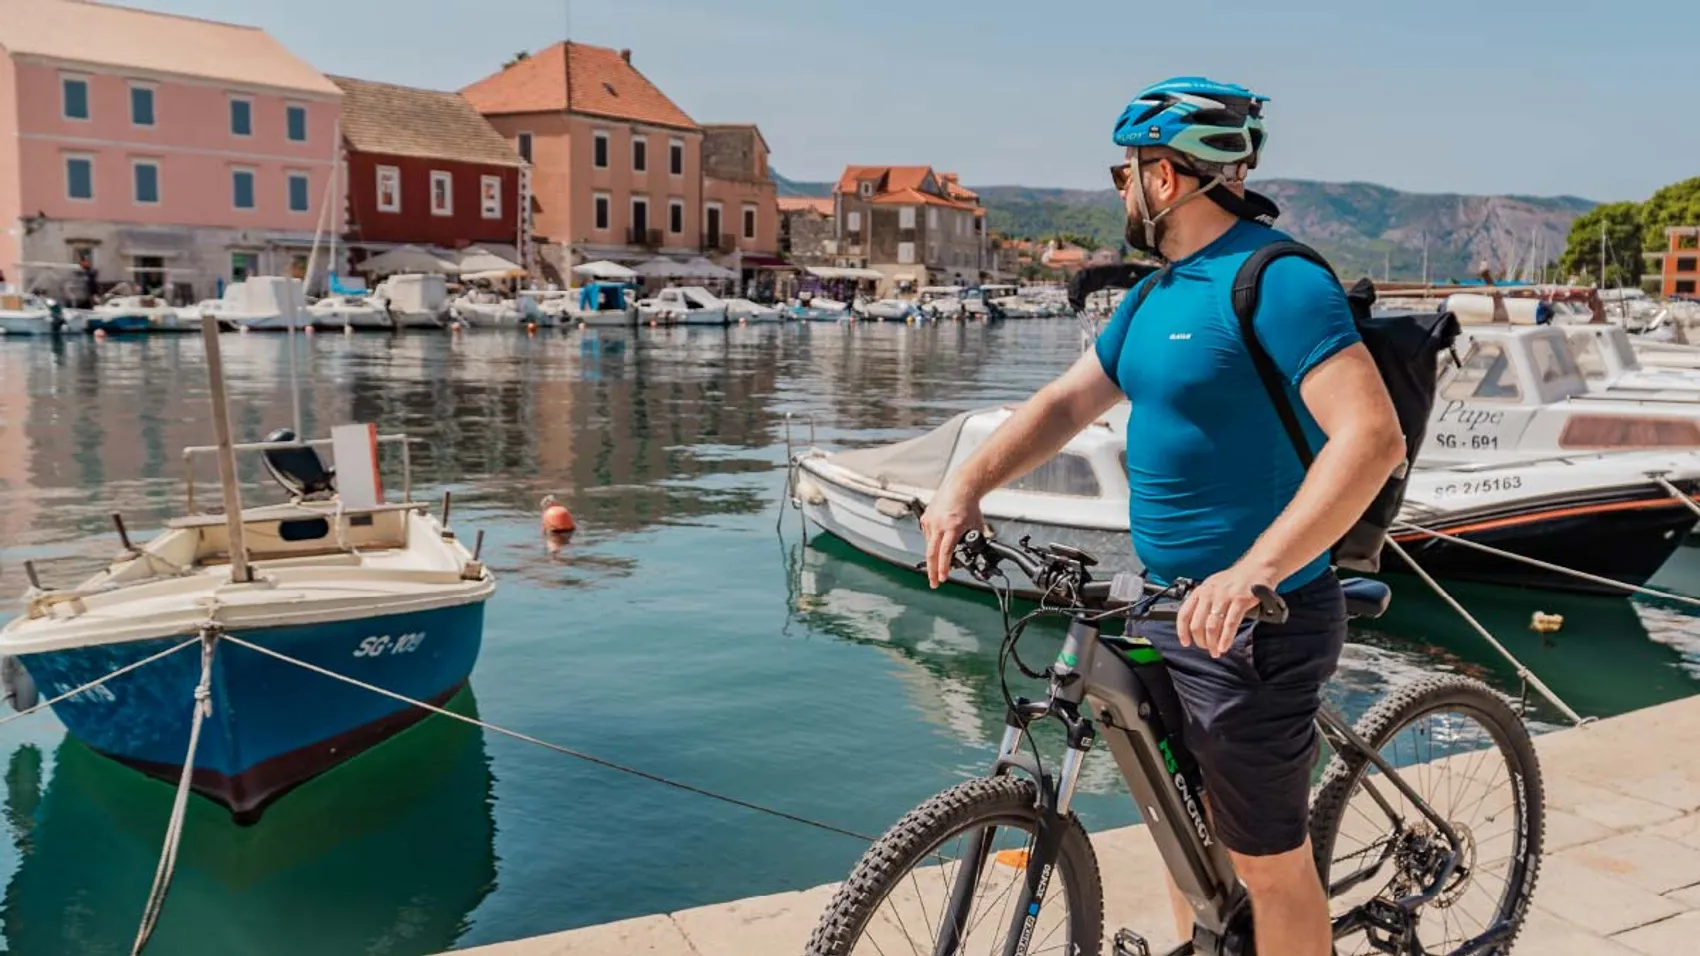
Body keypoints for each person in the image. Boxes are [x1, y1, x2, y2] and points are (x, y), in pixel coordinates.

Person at [920, 77, 1405, 956]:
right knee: (1189, 840)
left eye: (1125, 171)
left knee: (1266, 862)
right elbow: (1066, 405)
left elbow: (1371, 440)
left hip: (1259, 620)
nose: (1121, 189)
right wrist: (966, 486)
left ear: (1167, 178)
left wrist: (1254, 569)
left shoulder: (1278, 280)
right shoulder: (1154, 297)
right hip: (1162, 605)